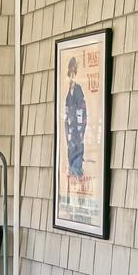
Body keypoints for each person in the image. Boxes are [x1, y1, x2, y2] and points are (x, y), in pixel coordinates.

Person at [63, 56, 88, 185]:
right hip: (71, 128)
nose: (71, 75)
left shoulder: (78, 89)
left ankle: (77, 172)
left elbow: (82, 110)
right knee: (71, 148)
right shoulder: (68, 90)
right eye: (70, 73)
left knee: (77, 148)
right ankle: (73, 171)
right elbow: (66, 111)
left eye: (73, 72)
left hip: (77, 127)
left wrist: (80, 128)